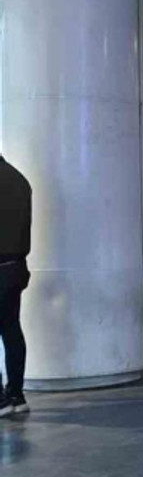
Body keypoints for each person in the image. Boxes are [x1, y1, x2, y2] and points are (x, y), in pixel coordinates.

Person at [0, 152, 32, 418]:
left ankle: (0, 401)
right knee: (11, 329)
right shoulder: (20, 179)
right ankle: (16, 394)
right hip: (16, 267)